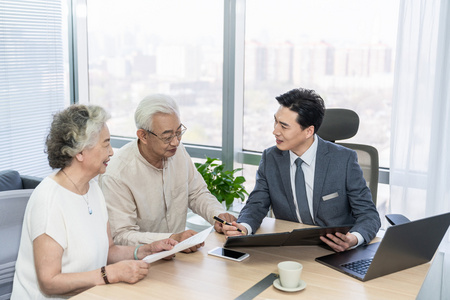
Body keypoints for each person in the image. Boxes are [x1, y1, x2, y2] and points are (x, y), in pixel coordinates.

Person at [11, 105, 178, 300]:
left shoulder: (93, 189)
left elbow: (109, 251)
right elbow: (49, 282)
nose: (112, 152)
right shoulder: (49, 201)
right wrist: (110, 274)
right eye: (106, 144)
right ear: (80, 152)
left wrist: (146, 250)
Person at [222, 88, 381, 252]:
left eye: (284, 126)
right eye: (275, 122)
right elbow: (256, 204)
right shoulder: (271, 158)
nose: (275, 131)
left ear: (308, 131)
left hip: (336, 251)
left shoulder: (344, 160)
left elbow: (369, 215)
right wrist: (243, 227)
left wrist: (353, 239)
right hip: (291, 248)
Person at [99, 94, 235, 251]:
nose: (176, 142)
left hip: (179, 257)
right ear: (143, 136)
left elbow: (197, 193)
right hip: (141, 263)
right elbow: (121, 236)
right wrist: (171, 239)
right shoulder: (117, 174)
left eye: (178, 133)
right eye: (167, 137)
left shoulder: (177, 151)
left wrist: (217, 215)